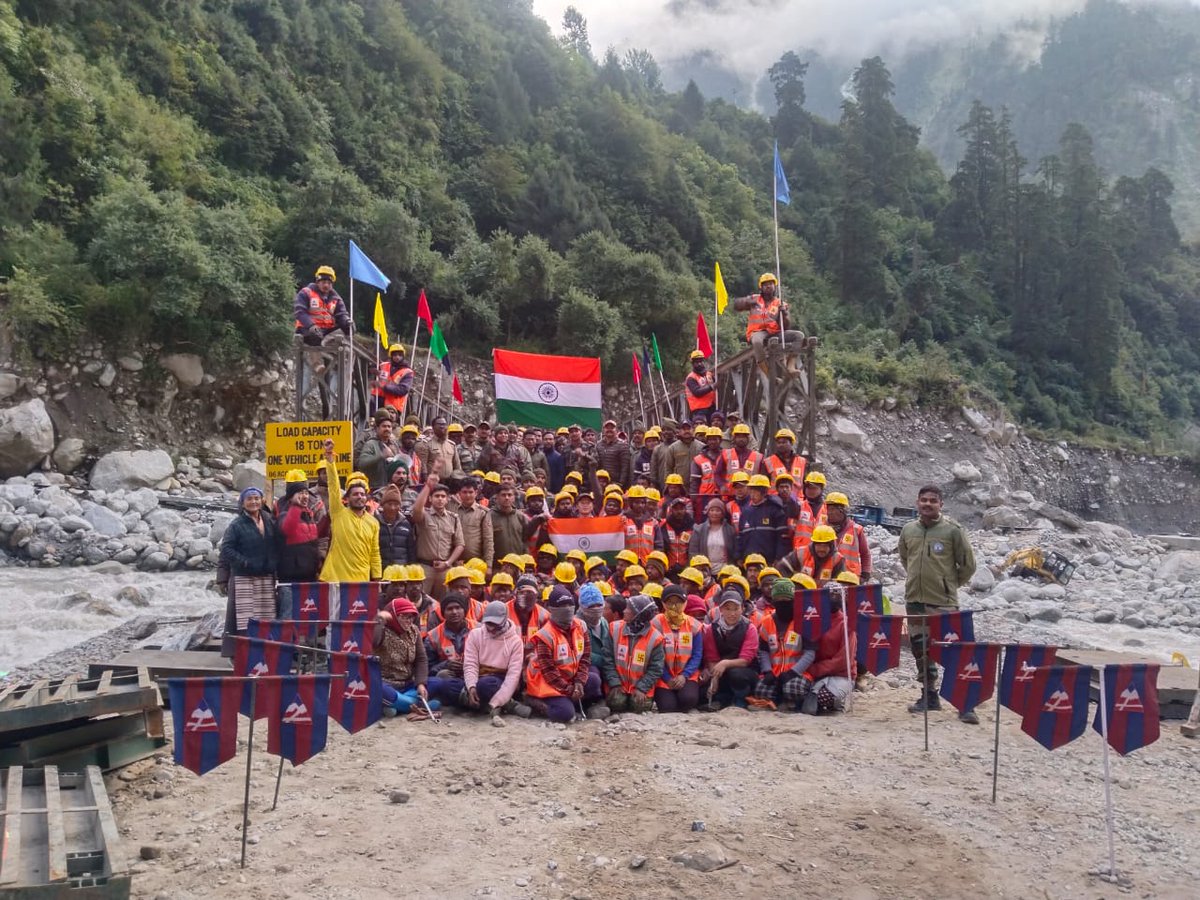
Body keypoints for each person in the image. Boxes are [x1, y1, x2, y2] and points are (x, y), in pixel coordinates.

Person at [899, 484, 977, 720]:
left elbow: (968, 565)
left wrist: (948, 586)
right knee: (921, 651)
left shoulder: (953, 531)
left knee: (954, 653)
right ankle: (929, 695)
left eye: (933, 500)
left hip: (943, 603)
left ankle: (965, 703)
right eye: (924, 500)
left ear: (941, 504)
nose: (928, 504)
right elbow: (905, 559)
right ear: (917, 503)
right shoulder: (908, 530)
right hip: (915, 601)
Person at [524, 585, 601, 722]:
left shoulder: (581, 626)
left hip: (571, 678)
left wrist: (579, 683)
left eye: (569, 605)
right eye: (562, 606)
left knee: (594, 680)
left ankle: (572, 702)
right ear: (552, 610)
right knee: (564, 714)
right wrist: (570, 689)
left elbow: (585, 658)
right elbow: (549, 673)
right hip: (547, 683)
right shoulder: (545, 636)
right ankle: (535, 702)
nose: (567, 609)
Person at [220, 487, 279, 651]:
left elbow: (275, 544)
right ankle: (243, 652)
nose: (253, 502)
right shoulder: (236, 525)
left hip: (265, 576)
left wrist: (273, 563)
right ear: (243, 503)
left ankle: (264, 649)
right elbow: (227, 549)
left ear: (261, 501)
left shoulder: (268, 519)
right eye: (249, 499)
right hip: (244, 577)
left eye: (256, 498)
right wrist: (245, 562)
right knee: (245, 617)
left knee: (266, 615)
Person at [318, 443, 382, 582]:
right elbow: (333, 486)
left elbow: (375, 553)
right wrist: (330, 460)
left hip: (361, 581)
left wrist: (377, 578)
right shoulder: (338, 513)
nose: (359, 497)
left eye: (362, 494)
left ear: (367, 497)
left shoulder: (373, 522)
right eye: (355, 494)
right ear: (347, 498)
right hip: (335, 579)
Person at [374, 596, 440, 717]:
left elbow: (421, 659)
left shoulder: (414, 631)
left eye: (411, 617)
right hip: (387, 683)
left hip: (408, 683)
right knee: (378, 689)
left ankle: (397, 705)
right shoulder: (382, 631)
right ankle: (418, 706)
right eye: (404, 616)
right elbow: (373, 640)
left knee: (437, 683)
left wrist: (420, 683)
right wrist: (380, 619)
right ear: (392, 615)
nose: (409, 621)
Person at [798, 583, 857, 715]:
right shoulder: (812, 619)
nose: (833, 598)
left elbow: (842, 660)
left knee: (824, 698)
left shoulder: (846, 624)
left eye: (837, 595)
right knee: (796, 690)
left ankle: (838, 701)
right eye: (829, 594)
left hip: (840, 674)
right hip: (814, 672)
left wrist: (815, 669)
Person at [463, 600, 529, 717]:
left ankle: (496, 704)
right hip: (478, 677)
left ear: (504, 620)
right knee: (443, 683)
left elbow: (513, 676)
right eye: (488, 623)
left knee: (485, 685)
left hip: (498, 680)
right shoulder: (475, 634)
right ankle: (507, 705)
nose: (491, 628)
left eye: (495, 624)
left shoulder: (515, 641)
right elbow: (470, 664)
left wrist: (495, 703)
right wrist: (471, 687)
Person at [750, 578, 807, 711]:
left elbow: (810, 652)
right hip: (774, 672)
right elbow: (763, 650)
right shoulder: (767, 621)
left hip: (798, 672)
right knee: (760, 691)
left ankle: (793, 703)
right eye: (779, 601)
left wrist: (794, 672)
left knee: (792, 689)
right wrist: (767, 670)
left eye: (787, 601)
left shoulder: (804, 621)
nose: (783, 604)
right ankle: (777, 699)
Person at [732, 272, 805, 373]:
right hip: (758, 332)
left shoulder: (780, 303)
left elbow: (786, 326)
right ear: (761, 287)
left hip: (775, 332)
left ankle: (791, 365)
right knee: (757, 341)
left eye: (771, 284)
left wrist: (783, 314)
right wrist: (746, 302)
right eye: (765, 285)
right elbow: (736, 305)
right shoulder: (755, 299)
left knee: (799, 335)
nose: (768, 286)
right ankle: (766, 371)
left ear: (774, 286)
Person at [603, 595, 665, 713]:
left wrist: (642, 688)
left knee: (639, 706)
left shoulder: (655, 638)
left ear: (638, 614)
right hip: (618, 683)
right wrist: (614, 683)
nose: (624, 611)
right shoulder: (614, 628)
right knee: (617, 703)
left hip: (640, 686)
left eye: (628, 609)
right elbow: (607, 659)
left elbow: (656, 668)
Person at [294, 265, 351, 391]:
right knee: (314, 337)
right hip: (307, 329)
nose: (326, 285)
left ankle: (340, 365)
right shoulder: (306, 293)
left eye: (329, 283)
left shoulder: (335, 298)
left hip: (326, 330)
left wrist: (347, 322)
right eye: (323, 282)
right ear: (317, 281)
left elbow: (341, 314)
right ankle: (317, 364)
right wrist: (311, 325)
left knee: (344, 332)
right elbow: (299, 312)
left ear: (332, 284)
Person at [411, 472, 466, 599]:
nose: (440, 499)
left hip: (444, 569)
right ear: (430, 499)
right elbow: (416, 510)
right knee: (421, 601)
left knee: (443, 603)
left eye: (443, 496)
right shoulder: (424, 516)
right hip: (425, 568)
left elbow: (460, 544)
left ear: (447, 499)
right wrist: (428, 487)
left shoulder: (453, 518)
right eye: (436, 496)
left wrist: (448, 563)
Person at [701, 590, 759, 710]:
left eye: (736, 608)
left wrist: (725, 663)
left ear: (742, 608)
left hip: (745, 671)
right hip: (720, 669)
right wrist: (714, 678)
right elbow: (711, 657)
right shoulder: (712, 628)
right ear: (721, 610)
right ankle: (722, 698)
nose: (732, 613)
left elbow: (745, 660)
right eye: (728, 609)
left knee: (736, 674)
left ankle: (741, 698)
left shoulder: (749, 628)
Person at [651, 585, 703, 713]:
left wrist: (684, 676)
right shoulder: (655, 624)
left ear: (685, 603)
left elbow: (697, 654)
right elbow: (653, 656)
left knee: (688, 699)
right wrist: (667, 678)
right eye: (670, 602)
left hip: (687, 675)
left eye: (679, 602)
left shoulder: (694, 625)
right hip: (662, 676)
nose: (674, 606)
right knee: (667, 707)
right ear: (663, 603)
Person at [425, 592, 472, 706]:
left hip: (476, 673)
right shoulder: (433, 636)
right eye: (449, 609)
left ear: (464, 610)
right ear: (443, 613)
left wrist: (471, 665)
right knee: (442, 676)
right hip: (451, 677)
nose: (454, 612)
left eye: (458, 608)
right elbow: (427, 669)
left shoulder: (479, 629)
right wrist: (446, 664)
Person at [276, 471, 320, 583]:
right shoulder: (284, 515)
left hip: (310, 573)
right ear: (291, 497)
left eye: (306, 493)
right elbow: (287, 529)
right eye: (300, 493)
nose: (304, 496)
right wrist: (296, 506)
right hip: (291, 576)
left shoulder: (309, 516)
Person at [736, 474, 790, 564]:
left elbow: (782, 538)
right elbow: (740, 537)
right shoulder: (745, 512)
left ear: (764, 492)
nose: (752, 495)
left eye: (756, 491)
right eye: (751, 491)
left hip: (769, 562)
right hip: (749, 562)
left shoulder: (775, 510)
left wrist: (779, 558)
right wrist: (738, 556)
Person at [448, 476, 493, 573]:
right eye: (464, 492)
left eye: (470, 492)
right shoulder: (451, 510)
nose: (468, 495)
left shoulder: (483, 513)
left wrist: (488, 565)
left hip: (475, 563)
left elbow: (488, 540)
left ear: (476, 493)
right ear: (459, 493)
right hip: (453, 562)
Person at [825, 492, 871, 581]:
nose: (830, 512)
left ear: (843, 510)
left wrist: (865, 573)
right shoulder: (821, 529)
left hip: (850, 579)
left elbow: (865, 553)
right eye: (828, 508)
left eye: (833, 509)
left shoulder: (856, 530)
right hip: (827, 577)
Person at [714, 424, 762, 499]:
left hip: (751, 497)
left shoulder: (758, 457)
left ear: (748, 439)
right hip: (730, 495)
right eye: (738, 436)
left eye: (743, 437)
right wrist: (722, 485)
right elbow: (717, 474)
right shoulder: (726, 454)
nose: (741, 439)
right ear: (734, 438)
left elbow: (762, 477)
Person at [375, 484, 417, 568]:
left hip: (401, 572)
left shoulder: (405, 524)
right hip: (380, 571)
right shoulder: (375, 523)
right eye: (389, 504)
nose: (392, 508)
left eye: (396, 504)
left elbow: (411, 551)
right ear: (383, 505)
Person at [356, 414, 401, 490]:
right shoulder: (370, 444)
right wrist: (381, 456)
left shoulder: (394, 445)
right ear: (377, 429)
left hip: (391, 488)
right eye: (384, 426)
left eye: (389, 427)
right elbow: (362, 464)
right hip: (374, 488)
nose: (387, 429)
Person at [688, 498, 735, 568]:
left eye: (718, 510)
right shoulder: (699, 529)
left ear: (722, 513)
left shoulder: (730, 530)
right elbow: (693, 551)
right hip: (704, 569)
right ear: (708, 512)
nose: (714, 513)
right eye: (712, 510)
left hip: (725, 569)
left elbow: (734, 552)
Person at [374, 344, 414, 417]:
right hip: (377, 402)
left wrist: (386, 387)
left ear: (403, 356)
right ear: (391, 356)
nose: (397, 357)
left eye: (399, 355)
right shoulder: (383, 365)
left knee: (389, 426)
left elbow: (403, 390)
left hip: (393, 408)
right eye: (395, 355)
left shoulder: (407, 372)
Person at [792, 471, 828, 552]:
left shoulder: (828, 509)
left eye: (814, 488)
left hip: (821, 553)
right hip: (800, 553)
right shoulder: (799, 506)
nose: (811, 491)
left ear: (821, 489)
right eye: (808, 488)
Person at [416, 415, 459, 480]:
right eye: (439, 424)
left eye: (444, 424)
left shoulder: (452, 445)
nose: (442, 426)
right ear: (433, 427)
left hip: (449, 483)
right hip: (433, 483)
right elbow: (423, 466)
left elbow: (457, 466)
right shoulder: (425, 444)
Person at [595, 419, 631, 489]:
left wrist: (621, 483)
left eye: (612, 428)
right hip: (601, 483)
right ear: (603, 430)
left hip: (616, 483)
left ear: (616, 430)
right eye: (607, 428)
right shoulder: (598, 445)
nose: (609, 430)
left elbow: (625, 467)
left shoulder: (623, 445)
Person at [684, 351, 717, 423]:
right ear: (692, 363)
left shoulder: (709, 374)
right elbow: (697, 392)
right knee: (701, 430)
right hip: (699, 410)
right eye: (696, 362)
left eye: (701, 361)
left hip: (711, 407)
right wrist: (712, 387)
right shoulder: (691, 378)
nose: (699, 364)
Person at [651, 419, 677, 489]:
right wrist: (654, 484)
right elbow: (654, 470)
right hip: (662, 485)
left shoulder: (679, 446)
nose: (666, 432)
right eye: (664, 430)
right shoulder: (657, 449)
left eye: (668, 429)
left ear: (674, 431)